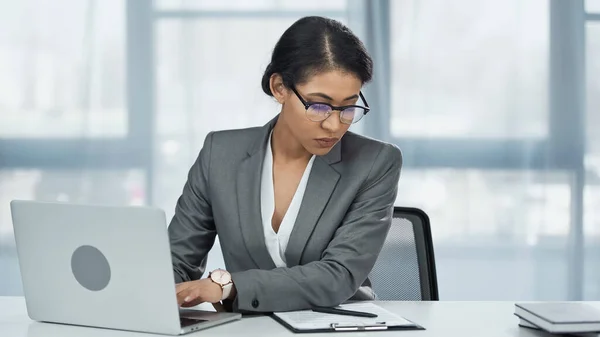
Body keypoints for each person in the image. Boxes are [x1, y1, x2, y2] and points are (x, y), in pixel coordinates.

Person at [168, 16, 402, 313]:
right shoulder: (220, 154)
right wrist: (161, 297)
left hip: (339, 324)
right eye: (319, 105)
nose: (334, 125)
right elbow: (177, 259)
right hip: (248, 329)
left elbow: (338, 275)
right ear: (279, 87)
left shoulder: (375, 163)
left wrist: (228, 286)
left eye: (348, 107)